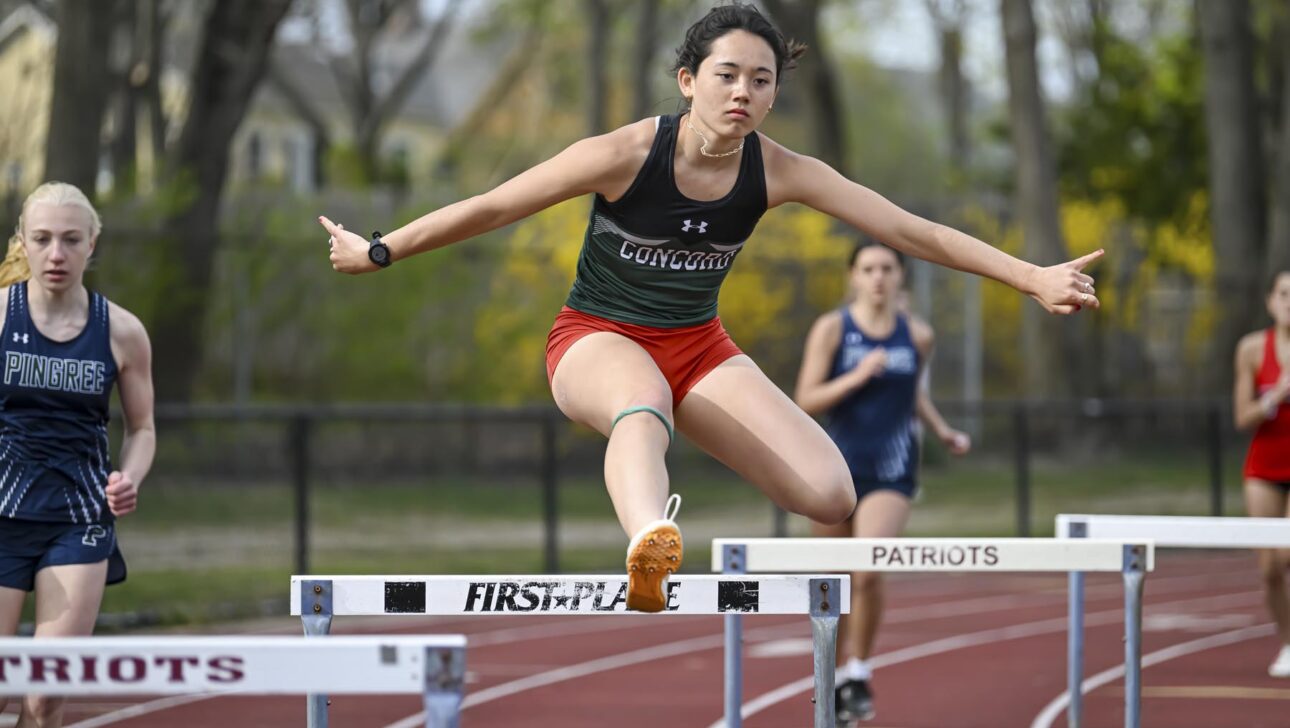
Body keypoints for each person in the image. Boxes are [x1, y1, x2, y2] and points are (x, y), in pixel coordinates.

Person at [321, 3, 1100, 613]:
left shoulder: (780, 170)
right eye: (727, 75)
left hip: (697, 347)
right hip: (596, 339)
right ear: (688, 80)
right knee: (642, 401)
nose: (743, 93)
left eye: (761, 81)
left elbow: (908, 229)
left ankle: (659, 528)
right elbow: (495, 205)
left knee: (830, 493)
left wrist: (1028, 274)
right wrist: (381, 249)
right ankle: (649, 544)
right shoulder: (627, 153)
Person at [794, 239, 970, 722]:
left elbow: (914, 394)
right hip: (833, 470)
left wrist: (942, 430)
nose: (878, 277)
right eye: (868, 268)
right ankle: (830, 676)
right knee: (832, 583)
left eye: (887, 268)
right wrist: (857, 377)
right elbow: (805, 399)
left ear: (900, 276)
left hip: (892, 469)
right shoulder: (833, 329)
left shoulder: (918, 335)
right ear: (853, 276)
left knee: (868, 568)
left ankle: (858, 670)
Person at [0, 182, 155, 727]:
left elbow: (142, 428)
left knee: (45, 698)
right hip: (2, 517)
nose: (56, 254)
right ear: (23, 241)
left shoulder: (123, 332)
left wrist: (129, 477)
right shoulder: (2, 318)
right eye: (42, 239)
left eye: (70, 239)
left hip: (78, 521)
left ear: (92, 243)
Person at [1234, 269, 1290, 678]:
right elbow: (1242, 417)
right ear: (1271, 301)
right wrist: (1276, 397)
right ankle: (1288, 643)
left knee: (1288, 553)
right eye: (1284, 294)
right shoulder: (1252, 349)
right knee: (1270, 569)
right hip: (1265, 467)